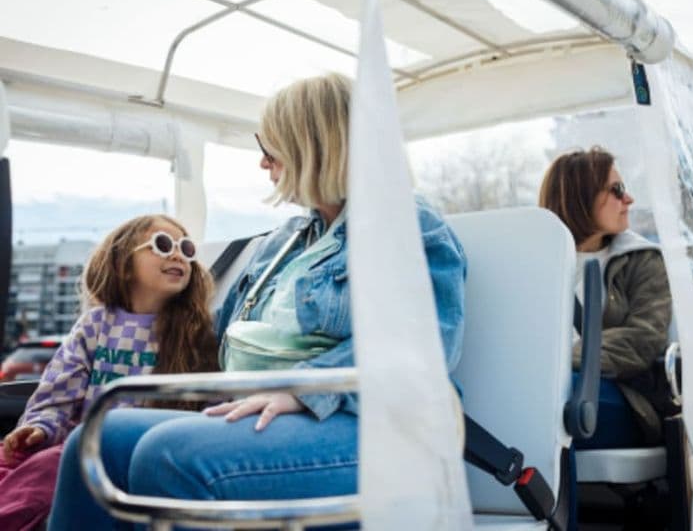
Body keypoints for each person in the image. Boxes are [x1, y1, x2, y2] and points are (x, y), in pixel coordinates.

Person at [49, 73, 467, 529]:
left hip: (376, 431)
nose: (263, 164)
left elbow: (423, 347)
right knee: (96, 437)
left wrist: (299, 390)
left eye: (270, 148)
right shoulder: (285, 241)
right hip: (258, 413)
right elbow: (218, 333)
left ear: (312, 146)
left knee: (169, 455)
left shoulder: (406, 224)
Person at [0, 215, 218, 531]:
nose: (177, 255)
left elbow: (209, 402)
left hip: (147, 450)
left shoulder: (196, 333)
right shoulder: (95, 325)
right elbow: (58, 391)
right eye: (162, 244)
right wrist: (40, 426)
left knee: (46, 471)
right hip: (83, 445)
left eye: (185, 248)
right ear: (124, 265)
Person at [540, 147, 672, 528]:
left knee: (550, 397)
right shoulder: (537, 261)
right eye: (616, 189)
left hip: (625, 399)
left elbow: (643, 339)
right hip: (556, 390)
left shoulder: (643, 260)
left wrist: (561, 362)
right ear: (579, 196)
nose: (627, 198)